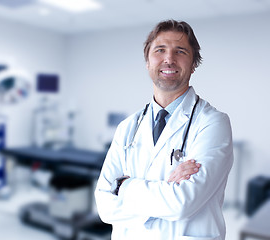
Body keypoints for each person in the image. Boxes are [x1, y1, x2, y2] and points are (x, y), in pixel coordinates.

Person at [94, 20, 233, 240]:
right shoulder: (127, 127)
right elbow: (104, 205)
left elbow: (181, 203)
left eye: (180, 51)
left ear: (194, 63)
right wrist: (164, 193)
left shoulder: (213, 123)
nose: (169, 59)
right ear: (147, 61)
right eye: (160, 50)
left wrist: (123, 186)